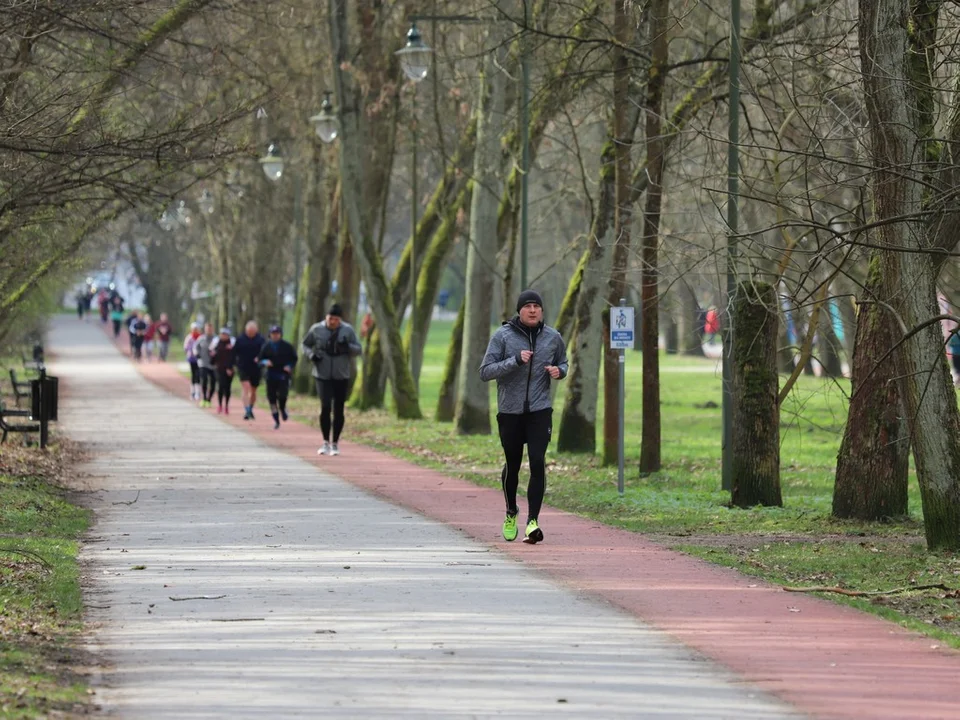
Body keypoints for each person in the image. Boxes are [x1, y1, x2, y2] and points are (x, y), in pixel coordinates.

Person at [479, 289, 568, 545]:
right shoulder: (503, 336)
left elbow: (564, 361)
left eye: (536, 306)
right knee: (513, 465)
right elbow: (485, 372)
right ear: (519, 310)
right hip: (510, 412)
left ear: (541, 310)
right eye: (527, 306)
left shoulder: (553, 337)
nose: (532, 310)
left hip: (540, 411)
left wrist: (559, 371)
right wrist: (514, 361)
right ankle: (510, 512)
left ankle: (533, 521)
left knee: (538, 461)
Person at [301, 304, 362, 456]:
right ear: (326, 317)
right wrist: (311, 355)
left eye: (336, 319)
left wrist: (347, 347)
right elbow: (305, 344)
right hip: (322, 374)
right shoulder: (316, 329)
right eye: (330, 318)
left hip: (341, 374)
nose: (333, 322)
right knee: (325, 406)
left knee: (339, 409)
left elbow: (358, 349)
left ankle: (335, 443)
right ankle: (325, 442)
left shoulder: (347, 330)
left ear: (340, 319)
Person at [258, 325, 298, 430]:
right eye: (273, 334)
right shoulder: (266, 347)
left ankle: (283, 408)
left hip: (283, 375)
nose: (275, 336)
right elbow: (259, 360)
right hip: (270, 375)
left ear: (280, 334)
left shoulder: (287, 346)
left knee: (282, 396)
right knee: (271, 399)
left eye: (277, 334)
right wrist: (264, 362)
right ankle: (276, 420)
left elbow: (294, 358)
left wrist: (289, 366)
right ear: (270, 335)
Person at [234, 321, 266, 420]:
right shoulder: (240, 339)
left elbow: (265, 352)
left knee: (253, 390)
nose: (251, 333)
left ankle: (251, 408)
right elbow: (234, 352)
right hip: (243, 367)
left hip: (256, 368)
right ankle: (247, 410)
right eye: (249, 331)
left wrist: (260, 358)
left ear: (256, 330)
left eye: (252, 331)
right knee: (246, 387)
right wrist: (233, 364)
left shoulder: (261, 339)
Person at [211, 327, 235, 414]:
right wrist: (212, 355)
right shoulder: (216, 344)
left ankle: (226, 406)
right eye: (222, 334)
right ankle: (220, 404)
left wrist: (230, 368)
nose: (223, 336)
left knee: (227, 388)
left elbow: (233, 358)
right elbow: (213, 358)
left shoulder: (232, 344)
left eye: (225, 334)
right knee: (220, 386)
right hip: (219, 369)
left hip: (229, 370)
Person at [195, 322, 217, 407]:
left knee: (213, 382)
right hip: (203, 363)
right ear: (205, 329)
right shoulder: (201, 338)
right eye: (207, 328)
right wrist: (197, 355)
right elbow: (195, 348)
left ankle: (209, 399)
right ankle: (204, 398)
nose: (209, 330)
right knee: (204, 380)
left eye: (210, 329)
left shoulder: (216, 339)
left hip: (213, 365)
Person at [183, 322, 202, 400]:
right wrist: (190, 352)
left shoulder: (200, 337)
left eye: (196, 329)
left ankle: (197, 392)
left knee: (198, 375)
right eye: (194, 329)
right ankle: (192, 392)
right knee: (193, 375)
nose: (195, 330)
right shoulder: (189, 337)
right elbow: (185, 347)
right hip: (191, 359)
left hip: (199, 359)